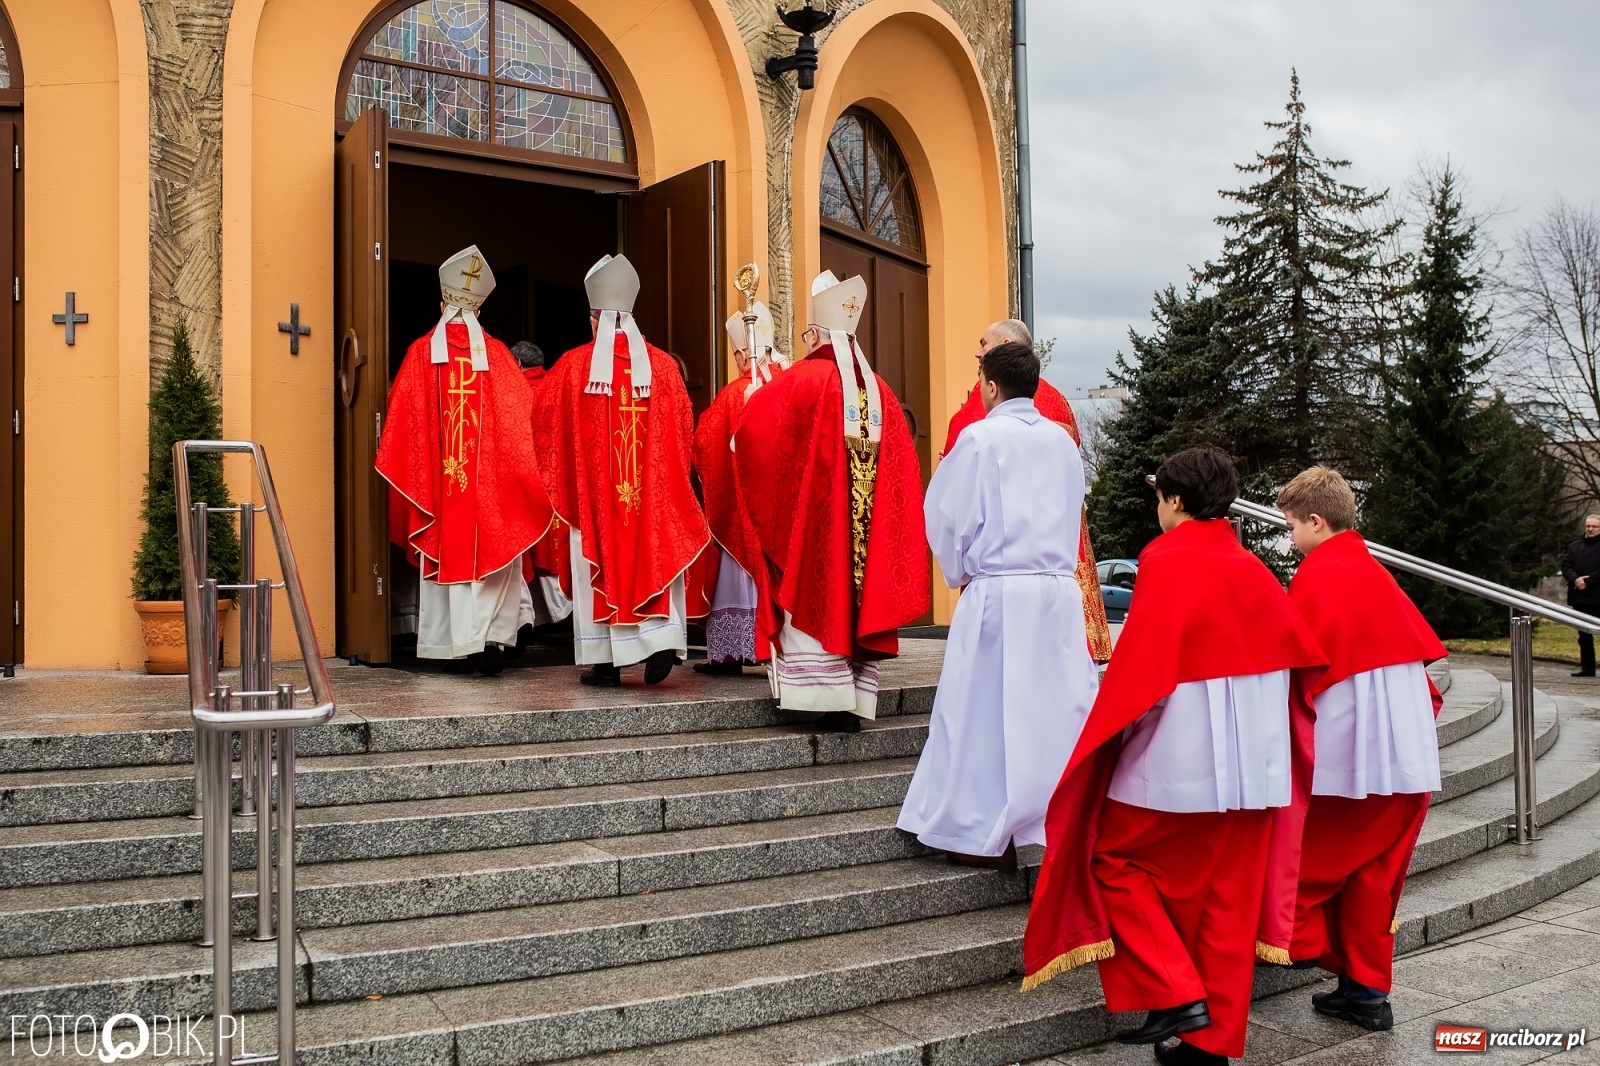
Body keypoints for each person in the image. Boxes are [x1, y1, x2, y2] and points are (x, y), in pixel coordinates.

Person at [1021, 447, 1325, 1066]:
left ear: (1176, 501)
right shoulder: (1251, 570)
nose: (1157, 508)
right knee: (1228, 905)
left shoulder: (1168, 560)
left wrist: (1105, 739)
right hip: (1257, 771)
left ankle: (1175, 992)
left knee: (1113, 861)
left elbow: (1146, 674)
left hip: (1182, 765)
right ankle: (1206, 1046)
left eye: (1159, 497)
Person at [897, 340, 1098, 870]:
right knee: (1050, 710)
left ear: (989, 385)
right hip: (1055, 594)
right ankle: (1052, 818)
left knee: (982, 712)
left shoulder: (980, 439)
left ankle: (973, 828)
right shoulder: (1064, 443)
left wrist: (961, 569)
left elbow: (945, 515)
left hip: (1002, 591)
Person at [1278, 466, 1446, 1033]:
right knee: (1376, 879)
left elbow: (1300, 672)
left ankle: (1297, 945)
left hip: (1348, 763)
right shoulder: (1375, 573)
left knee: (1312, 865)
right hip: (1408, 760)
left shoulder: (1319, 575)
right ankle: (1367, 994)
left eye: (1292, 527)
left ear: (1317, 522)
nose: (1290, 538)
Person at [735, 271, 930, 732]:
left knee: (815, 583)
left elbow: (754, 433)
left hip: (818, 532)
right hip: (863, 535)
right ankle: (853, 702)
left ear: (814, 334)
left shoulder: (804, 379)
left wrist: (750, 400)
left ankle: (819, 693)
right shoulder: (880, 391)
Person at [530, 254, 710, 687]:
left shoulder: (573, 368)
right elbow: (685, 428)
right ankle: (658, 640)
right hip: (649, 500)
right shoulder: (665, 368)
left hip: (598, 502)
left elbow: (542, 421)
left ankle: (606, 663)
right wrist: (661, 479)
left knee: (595, 555)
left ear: (595, 319)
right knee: (653, 548)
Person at [376, 246, 553, 675]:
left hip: (440, 492)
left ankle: (456, 645)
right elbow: (520, 423)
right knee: (492, 555)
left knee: (450, 555)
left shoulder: (421, 354)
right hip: (486, 491)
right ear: (479, 307)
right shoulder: (498, 357)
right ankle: (490, 640)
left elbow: (402, 421)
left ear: (442, 304)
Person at [943, 319, 1111, 662]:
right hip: (1056, 575)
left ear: (1005, 345)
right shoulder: (1058, 401)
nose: (978, 352)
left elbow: (954, 499)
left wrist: (956, 568)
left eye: (983, 343)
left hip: (999, 586)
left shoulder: (982, 403)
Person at [693, 301, 787, 675]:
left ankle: (731, 656)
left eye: (735, 353)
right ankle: (772, 649)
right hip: (778, 509)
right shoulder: (789, 381)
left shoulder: (736, 393)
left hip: (740, 508)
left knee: (734, 575)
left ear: (741, 351)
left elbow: (704, 442)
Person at [1560, 514, 1600, 677]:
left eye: (1594, 526)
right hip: (1580, 596)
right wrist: (1575, 579)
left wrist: (1588, 581)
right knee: (1583, 635)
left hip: (1598, 595)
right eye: (1588, 526)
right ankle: (1587, 667)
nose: (1590, 529)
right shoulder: (1574, 547)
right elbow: (1566, 565)